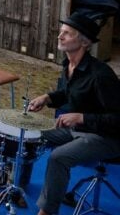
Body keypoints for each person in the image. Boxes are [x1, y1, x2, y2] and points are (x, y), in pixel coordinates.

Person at [28, 12, 120, 215]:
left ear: (84, 43)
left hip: (106, 137)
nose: (60, 36)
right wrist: (47, 98)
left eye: (67, 34)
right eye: (61, 32)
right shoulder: (68, 65)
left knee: (58, 157)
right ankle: (18, 184)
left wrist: (81, 117)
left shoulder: (101, 75)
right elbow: (67, 93)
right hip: (78, 129)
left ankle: (47, 212)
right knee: (31, 135)